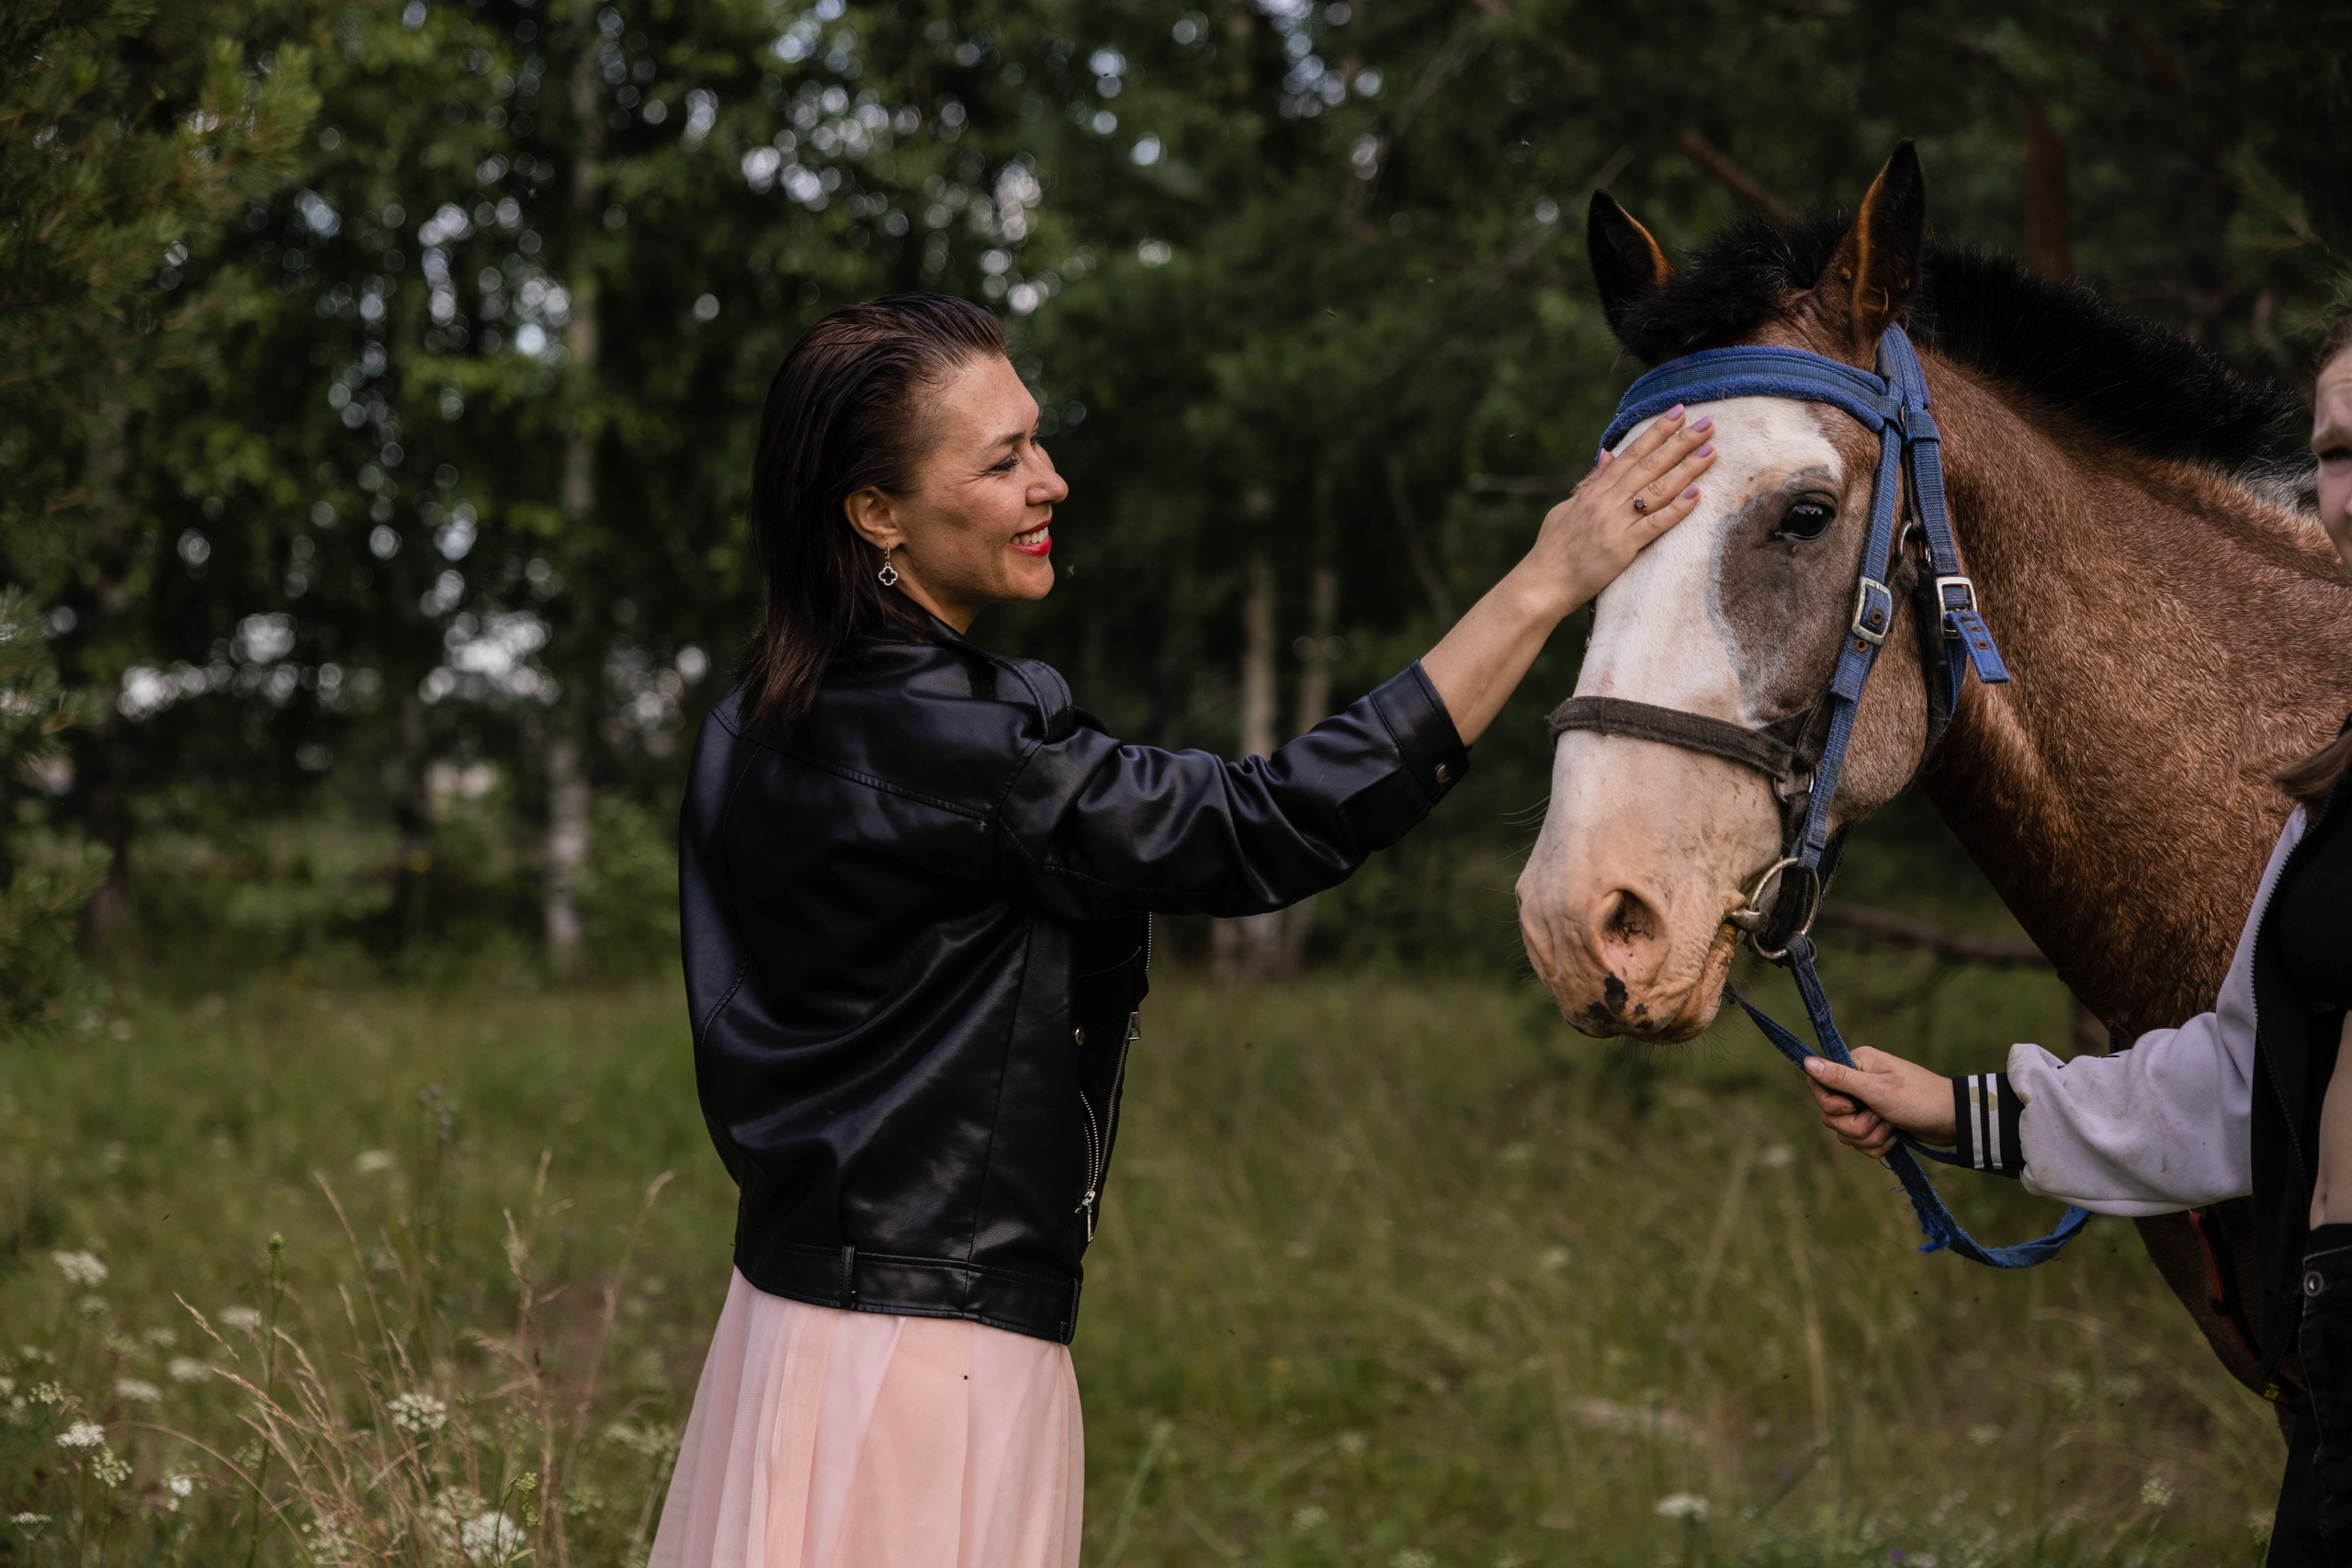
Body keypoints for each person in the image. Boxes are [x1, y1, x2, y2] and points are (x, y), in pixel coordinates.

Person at [646, 293, 1717, 1568]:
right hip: (932, 1356)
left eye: (1035, 439)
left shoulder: (756, 720)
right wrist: (1545, 581)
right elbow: (1265, 826)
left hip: (787, 1320)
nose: (1050, 480)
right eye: (1000, 461)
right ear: (876, 515)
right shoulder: (967, 748)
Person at [1800, 317, 2352, 1564]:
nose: (2349, 490)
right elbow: (2238, 1078)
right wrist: (1960, 1109)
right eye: (2335, 452)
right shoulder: (2329, 802)